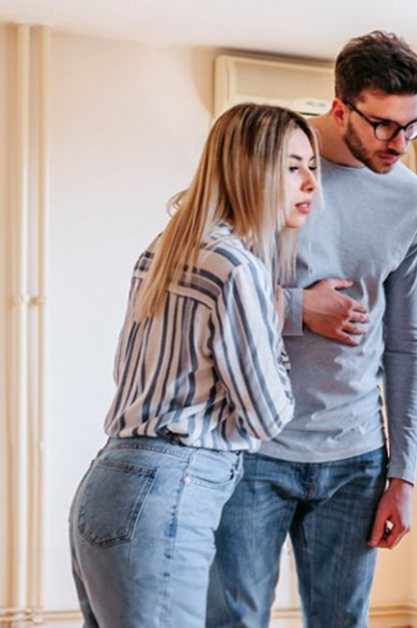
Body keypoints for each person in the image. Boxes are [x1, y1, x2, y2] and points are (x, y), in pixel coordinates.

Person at [206, 31, 417, 628]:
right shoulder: (267, 166)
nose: (401, 144)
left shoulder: (413, 201)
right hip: (254, 447)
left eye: (412, 126)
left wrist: (403, 474)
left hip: (356, 457)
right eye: (385, 125)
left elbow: (408, 343)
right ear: (341, 109)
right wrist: (296, 309)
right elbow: (200, 288)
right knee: (233, 621)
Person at [69, 102, 318, 628]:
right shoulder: (236, 269)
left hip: (106, 483)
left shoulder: (159, 252)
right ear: (249, 168)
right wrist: (273, 325)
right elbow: (267, 416)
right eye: (293, 166)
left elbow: (131, 373)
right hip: (168, 490)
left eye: (312, 166)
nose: (311, 182)